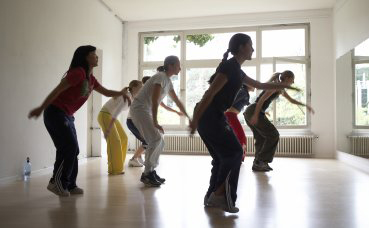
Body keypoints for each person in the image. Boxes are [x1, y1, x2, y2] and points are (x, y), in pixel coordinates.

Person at [189, 33, 299, 213]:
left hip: (211, 115)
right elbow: (209, 94)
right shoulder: (229, 67)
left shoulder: (237, 71)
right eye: (250, 45)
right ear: (241, 47)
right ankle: (220, 196)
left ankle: (212, 197)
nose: (253, 49)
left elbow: (260, 85)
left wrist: (282, 86)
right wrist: (195, 121)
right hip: (209, 114)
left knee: (221, 157)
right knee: (235, 152)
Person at [28, 45, 130, 197]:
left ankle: (69, 184)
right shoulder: (78, 73)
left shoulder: (90, 78)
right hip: (55, 113)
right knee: (69, 147)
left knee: (73, 149)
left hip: (67, 115)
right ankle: (56, 183)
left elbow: (106, 92)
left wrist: (122, 94)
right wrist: (41, 107)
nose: (97, 57)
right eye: (94, 55)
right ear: (86, 57)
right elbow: (57, 90)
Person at [130, 56, 191, 187]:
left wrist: (188, 117)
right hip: (139, 109)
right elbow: (154, 100)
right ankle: (147, 174)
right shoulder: (160, 77)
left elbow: (177, 101)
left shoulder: (168, 81)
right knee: (155, 139)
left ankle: (151, 171)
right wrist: (156, 121)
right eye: (178, 65)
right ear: (170, 65)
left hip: (145, 111)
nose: (180, 68)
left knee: (160, 140)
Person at [244, 70, 314, 172]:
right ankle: (261, 161)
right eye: (292, 80)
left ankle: (258, 164)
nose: (292, 83)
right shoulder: (275, 86)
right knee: (273, 134)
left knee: (261, 138)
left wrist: (306, 105)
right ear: (287, 78)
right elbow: (261, 100)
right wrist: (256, 115)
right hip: (253, 111)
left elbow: (292, 100)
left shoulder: (280, 88)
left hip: (251, 111)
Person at [127, 76, 183, 167]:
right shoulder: (143, 94)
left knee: (148, 140)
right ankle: (134, 159)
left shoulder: (153, 94)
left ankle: (139, 158)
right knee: (148, 141)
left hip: (139, 120)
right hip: (133, 120)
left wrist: (176, 112)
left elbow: (164, 106)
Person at [98, 80, 141, 174]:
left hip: (110, 115)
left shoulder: (132, 97)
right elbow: (117, 111)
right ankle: (114, 169)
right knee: (115, 141)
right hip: (105, 115)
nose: (142, 89)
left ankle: (118, 164)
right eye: (140, 87)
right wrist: (109, 128)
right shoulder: (127, 96)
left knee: (124, 138)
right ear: (133, 87)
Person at [224, 83, 255, 162]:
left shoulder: (246, 94)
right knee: (241, 137)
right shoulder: (243, 92)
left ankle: (236, 157)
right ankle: (238, 157)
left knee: (236, 137)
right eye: (253, 84)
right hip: (230, 115)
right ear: (247, 85)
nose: (254, 86)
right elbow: (232, 101)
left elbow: (248, 105)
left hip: (232, 115)